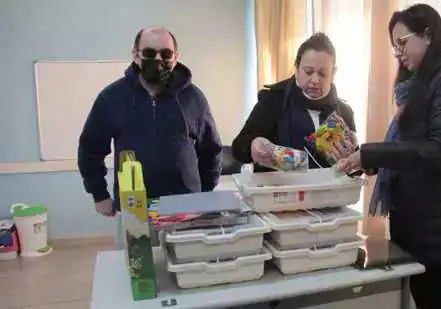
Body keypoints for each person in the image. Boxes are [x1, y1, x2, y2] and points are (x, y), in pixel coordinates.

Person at [337, 4, 441, 309]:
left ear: (428, 35)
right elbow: (406, 155)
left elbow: (440, 151)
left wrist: (371, 153)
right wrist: (362, 160)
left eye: (402, 42)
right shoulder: (413, 90)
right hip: (411, 223)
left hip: (438, 228)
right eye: (394, 46)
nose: (398, 53)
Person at [78, 26, 222, 221]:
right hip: (133, 207)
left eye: (166, 53)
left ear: (175, 57)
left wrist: (204, 192)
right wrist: (99, 194)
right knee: (138, 252)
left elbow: (211, 149)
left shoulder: (193, 98)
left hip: (185, 207)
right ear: (136, 56)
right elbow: (90, 148)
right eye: (149, 53)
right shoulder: (112, 98)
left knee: (183, 252)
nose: (158, 60)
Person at [231, 33, 356, 172]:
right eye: (308, 71)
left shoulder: (344, 111)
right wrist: (253, 145)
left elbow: (357, 169)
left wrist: (350, 161)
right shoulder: (274, 100)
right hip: (281, 190)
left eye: (323, 73)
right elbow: (238, 148)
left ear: (333, 73)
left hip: (330, 192)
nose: (315, 80)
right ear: (297, 68)